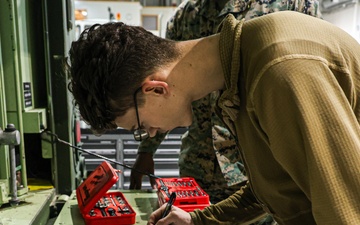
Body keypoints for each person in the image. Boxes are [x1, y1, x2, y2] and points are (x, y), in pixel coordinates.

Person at [67, 10, 360, 225]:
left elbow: (346, 212)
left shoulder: (279, 72)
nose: (152, 133)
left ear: (155, 89)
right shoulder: (240, 76)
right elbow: (272, 188)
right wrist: (198, 221)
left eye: (141, 126)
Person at [129, 0, 323, 207]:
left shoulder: (293, 4)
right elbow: (166, 85)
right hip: (198, 167)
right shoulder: (186, 14)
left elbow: (311, 83)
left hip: (259, 168)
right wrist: (147, 149)